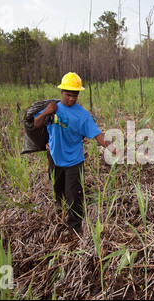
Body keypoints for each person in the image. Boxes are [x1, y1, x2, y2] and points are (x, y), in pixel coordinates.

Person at [34, 72, 117, 239]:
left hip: (74, 160)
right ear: (61, 92)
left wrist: (113, 148)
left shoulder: (82, 115)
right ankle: (60, 211)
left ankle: (75, 228)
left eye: (74, 95)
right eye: (68, 95)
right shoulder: (52, 108)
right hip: (55, 157)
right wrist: (46, 113)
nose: (71, 99)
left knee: (74, 194)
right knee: (57, 188)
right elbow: (35, 124)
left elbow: (97, 135)